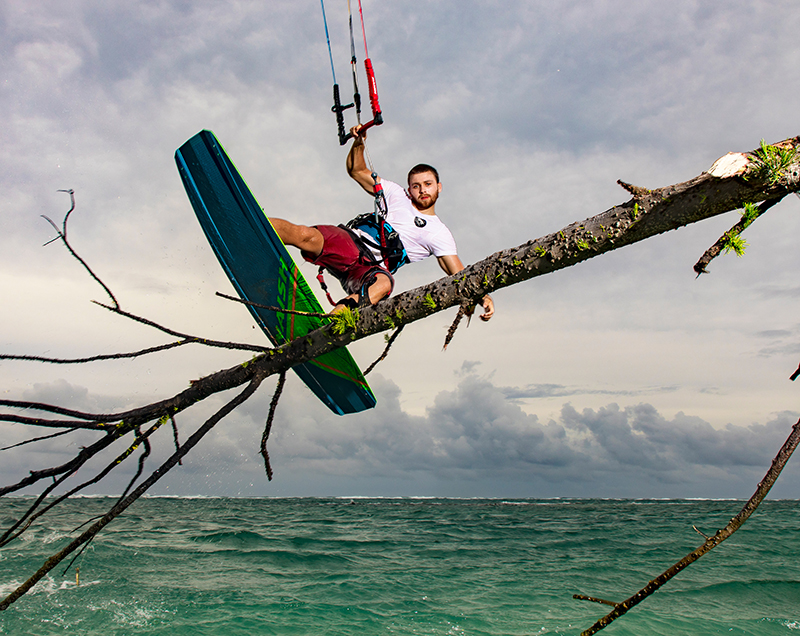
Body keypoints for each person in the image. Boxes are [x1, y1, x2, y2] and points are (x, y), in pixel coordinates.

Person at [270, 126, 494, 321]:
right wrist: (359, 142)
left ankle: (331, 323)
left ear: (439, 187)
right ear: (409, 189)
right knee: (304, 235)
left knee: (385, 284)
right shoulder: (396, 194)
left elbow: (456, 271)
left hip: (368, 272)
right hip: (351, 243)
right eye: (416, 186)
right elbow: (357, 171)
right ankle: (257, 224)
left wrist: (483, 296)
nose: (422, 190)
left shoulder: (439, 233)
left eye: (428, 184)